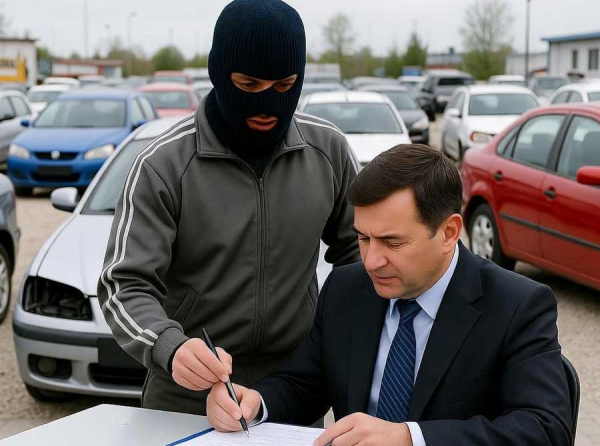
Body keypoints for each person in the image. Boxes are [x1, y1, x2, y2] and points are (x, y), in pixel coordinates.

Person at [207, 144, 572, 446]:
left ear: (448, 233)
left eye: (392, 242)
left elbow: (545, 429)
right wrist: (256, 403)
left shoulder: (517, 305)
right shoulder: (346, 288)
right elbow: (305, 384)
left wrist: (409, 438)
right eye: (364, 238)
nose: (371, 261)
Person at [97, 0, 359, 415]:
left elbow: (360, 253)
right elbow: (123, 285)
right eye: (249, 85)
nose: (266, 105)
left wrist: (334, 336)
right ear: (219, 72)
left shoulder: (328, 151)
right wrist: (169, 346)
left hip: (290, 390)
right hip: (185, 394)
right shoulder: (163, 164)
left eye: (284, 86)